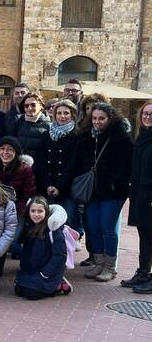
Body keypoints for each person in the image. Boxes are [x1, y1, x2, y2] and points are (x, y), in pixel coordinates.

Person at [76, 103, 133, 282]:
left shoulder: (120, 137)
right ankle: (99, 263)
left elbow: (127, 165)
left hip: (113, 191)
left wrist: (115, 182)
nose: (97, 122)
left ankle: (109, 267)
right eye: (94, 118)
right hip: (92, 190)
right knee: (93, 227)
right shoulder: (85, 136)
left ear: (110, 118)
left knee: (108, 228)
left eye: (101, 118)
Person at [35, 100, 80, 238]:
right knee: (45, 224)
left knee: (67, 223)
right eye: (59, 113)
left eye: (66, 113)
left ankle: (65, 256)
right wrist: (48, 184)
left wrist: (59, 186)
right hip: (46, 186)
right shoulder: (46, 135)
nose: (62, 116)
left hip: (67, 188)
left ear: (72, 115)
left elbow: (73, 164)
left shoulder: (77, 136)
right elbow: (40, 161)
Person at [15, 196, 71, 300]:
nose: (36, 214)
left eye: (40, 211)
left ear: (46, 212)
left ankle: (59, 285)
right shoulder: (28, 225)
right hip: (33, 269)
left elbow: (60, 256)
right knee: (19, 290)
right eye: (33, 211)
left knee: (31, 294)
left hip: (48, 272)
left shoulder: (54, 229)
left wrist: (45, 273)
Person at [126, 101, 152, 294]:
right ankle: (143, 272)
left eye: (151, 114)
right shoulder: (143, 136)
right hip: (140, 193)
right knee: (144, 234)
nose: (148, 117)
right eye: (145, 114)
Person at [8, 92, 51, 162]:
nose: (29, 108)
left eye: (33, 105)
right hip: (18, 166)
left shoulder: (48, 125)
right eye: (26, 106)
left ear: (40, 106)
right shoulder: (18, 122)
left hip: (38, 167)